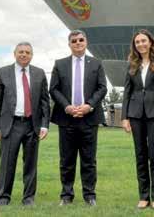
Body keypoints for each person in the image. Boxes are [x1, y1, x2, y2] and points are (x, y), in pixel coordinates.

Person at [49, 30, 107, 206]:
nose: (78, 43)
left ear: (86, 42)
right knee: (66, 160)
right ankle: (66, 196)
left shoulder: (96, 63)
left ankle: (90, 195)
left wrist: (89, 106)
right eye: (74, 41)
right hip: (66, 119)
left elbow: (102, 88)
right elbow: (54, 89)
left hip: (89, 118)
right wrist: (67, 107)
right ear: (69, 44)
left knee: (89, 160)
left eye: (81, 40)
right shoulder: (60, 64)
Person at [121, 29, 154, 210]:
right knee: (140, 156)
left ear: (150, 42)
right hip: (135, 115)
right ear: (134, 46)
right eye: (137, 42)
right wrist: (124, 118)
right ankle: (144, 196)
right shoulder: (131, 64)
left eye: (143, 41)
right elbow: (127, 92)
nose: (141, 44)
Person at [0, 42, 50, 206]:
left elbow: (45, 101)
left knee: (31, 164)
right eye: (21, 52)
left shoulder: (39, 73)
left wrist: (44, 125)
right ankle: (3, 197)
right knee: (7, 163)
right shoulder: (2, 73)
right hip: (11, 125)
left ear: (32, 55)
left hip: (33, 125)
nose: (24, 54)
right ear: (14, 53)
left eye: (27, 52)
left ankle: (28, 198)